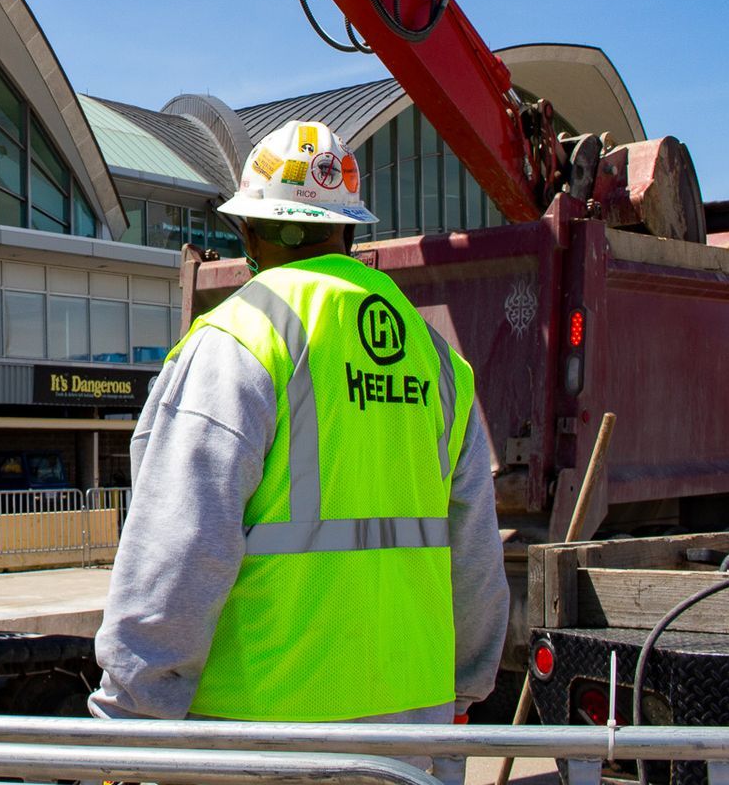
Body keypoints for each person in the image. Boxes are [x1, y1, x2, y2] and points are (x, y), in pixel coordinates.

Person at [90, 119, 508, 729]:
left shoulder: (240, 339)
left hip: (265, 737)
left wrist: (129, 716)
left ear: (249, 232)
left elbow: (177, 550)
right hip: (412, 735)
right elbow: (473, 560)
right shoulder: (436, 357)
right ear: (346, 228)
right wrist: (463, 689)